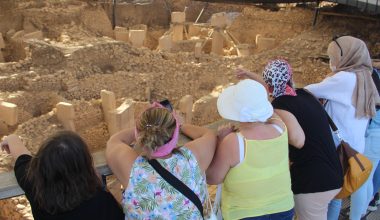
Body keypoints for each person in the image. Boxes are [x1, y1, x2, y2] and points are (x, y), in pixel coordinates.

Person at [236, 59, 343, 220]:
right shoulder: (303, 94)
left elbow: (298, 141)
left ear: (270, 85)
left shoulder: (280, 106)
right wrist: (249, 75)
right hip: (334, 173)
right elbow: (270, 87)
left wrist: (272, 124)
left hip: (313, 183)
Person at [304, 36, 380, 220]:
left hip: (336, 148)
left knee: (327, 196)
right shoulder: (365, 75)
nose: (332, 62)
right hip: (354, 147)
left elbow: (309, 90)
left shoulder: (344, 78)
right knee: (339, 193)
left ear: (346, 57)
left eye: (333, 58)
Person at [206, 79, 302, 220]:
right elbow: (271, 114)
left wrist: (220, 140)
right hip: (283, 207)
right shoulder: (280, 128)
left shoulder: (233, 142)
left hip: (245, 213)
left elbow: (212, 178)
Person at [106, 102, 217, 219]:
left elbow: (115, 140)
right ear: (174, 134)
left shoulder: (133, 170)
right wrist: (179, 125)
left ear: (139, 135)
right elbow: (207, 134)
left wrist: (143, 129)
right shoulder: (191, 158)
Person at [0, 131, 124, 220]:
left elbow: (21, 156)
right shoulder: (100, 200)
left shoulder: (34, 185)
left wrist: (11, 138)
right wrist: (102, 186)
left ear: (40, 165)